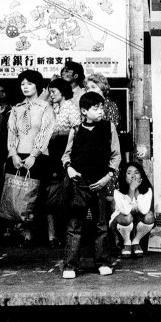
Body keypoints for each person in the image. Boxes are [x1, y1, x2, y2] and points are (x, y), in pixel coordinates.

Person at [60, 91, 120, 279]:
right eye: (96, 108)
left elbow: (116, 155)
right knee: (74, 225)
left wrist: (108, 176)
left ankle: (103, 262)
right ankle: (70, 265)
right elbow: (66, 155)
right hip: (79, 182)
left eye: (102, 107)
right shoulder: (75, 130)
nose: (101, 111)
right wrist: (69, 168)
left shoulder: (109, 127)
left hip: (100, 182)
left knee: (101, 224)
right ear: (84, 111)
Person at [6, 70, 56, 244]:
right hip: (18, 155)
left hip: (39, 156)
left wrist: (34, 154)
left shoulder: (45, 108)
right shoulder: (16, 108)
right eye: (22, 84)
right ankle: (26, 233)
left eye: (29, 83)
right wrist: (13, 154)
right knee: (21, 194)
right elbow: (12, 133)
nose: (25, 87)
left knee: (40, 195)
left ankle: (50, 235)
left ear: (38, 86)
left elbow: (45, 132)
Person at [45, 78, 82, 247]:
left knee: (67, 195)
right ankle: (52, 235)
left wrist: (60, 133)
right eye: (49, 91)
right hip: (50, 154)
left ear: (62, 91)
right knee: (50, 196)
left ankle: (67, 234)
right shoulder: (49, 108)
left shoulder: (71, 108)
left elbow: (77, 131)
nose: (51, 94)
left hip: (66, 153)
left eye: (53, 91)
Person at [113, 161, 156, 257]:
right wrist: (131, 190)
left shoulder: (147, 190)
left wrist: (137, 191)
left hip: (137, 220)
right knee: (127, 217)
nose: (133, 176)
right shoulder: (118, 191)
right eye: (129, 173)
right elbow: (125, 211)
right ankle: (126, 243)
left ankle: (136, 242)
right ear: (124, 176)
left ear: (141, 176)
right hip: (120, 222)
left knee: (149, 216)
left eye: (136, 172)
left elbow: (144, 210)